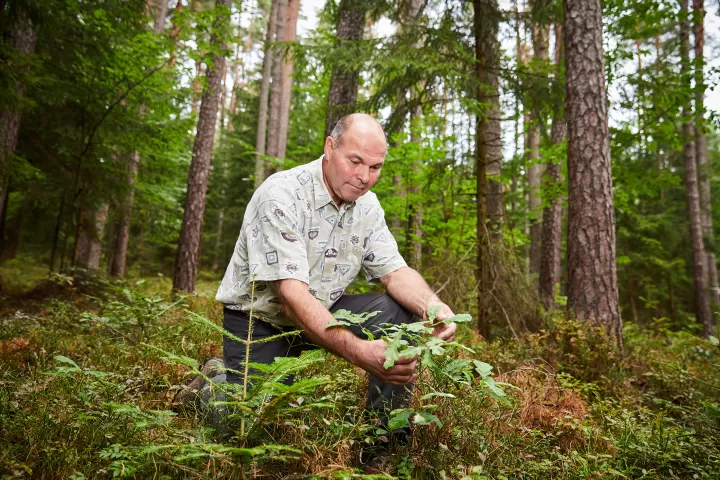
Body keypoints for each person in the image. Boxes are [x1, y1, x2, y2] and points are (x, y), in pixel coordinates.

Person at [188, 113, 457, 471]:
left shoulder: (369, 206)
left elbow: (394, 272)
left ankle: (382, 442)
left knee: (404, 315)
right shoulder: (280, 195)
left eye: (375, 167)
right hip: (261, 322)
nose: (364, 176)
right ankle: (209, 386)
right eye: (355, 161)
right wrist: (360, 351)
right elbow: (292, 296)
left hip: (325, 310)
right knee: (255, 432)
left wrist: (433, 304)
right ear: (330, 148)